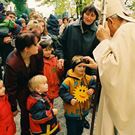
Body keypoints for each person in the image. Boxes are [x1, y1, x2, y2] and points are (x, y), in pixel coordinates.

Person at [92, 0, 135, 134]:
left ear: (110, 21)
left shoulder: (125, 32)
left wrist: (104, 41)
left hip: (122, 103)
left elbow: (114, 72)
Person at [4, 32, 44, 135]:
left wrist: (40, 86)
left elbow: (40, 70)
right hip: (21, 91)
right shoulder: (12, 63)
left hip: (36, 85)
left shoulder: (38, 51)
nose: (38, 46)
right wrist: (13, 107)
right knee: (26, 115)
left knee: (40, 109)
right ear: (26, 49)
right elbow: (11, 88)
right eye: (35, 44)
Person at [55, 4, 99, 76]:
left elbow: (97, 55)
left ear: (96, 18)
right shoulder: (70, 27)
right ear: (82, 14)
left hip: (86, 71)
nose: (89, 17)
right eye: (87, 14)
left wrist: (94, 73)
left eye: (92, 15)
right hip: (70, 69)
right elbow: (60, 44)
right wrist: (61, 57)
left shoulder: (97, 32)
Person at [59, 55, 96, 135]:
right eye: (79, 66)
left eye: (84, 67)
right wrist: (70, 99)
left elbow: (94, 83)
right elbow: (62, 91)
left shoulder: (87, 78)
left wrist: (92, 89)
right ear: (73, 67)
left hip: (83, 110)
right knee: (72, 131)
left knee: (80, 130)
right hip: (71, 111)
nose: (82, 68)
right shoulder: (68, 80)